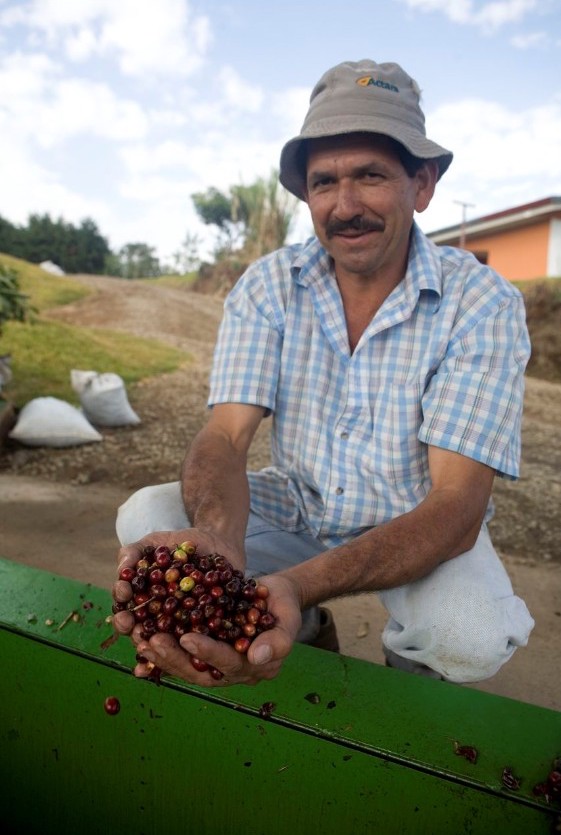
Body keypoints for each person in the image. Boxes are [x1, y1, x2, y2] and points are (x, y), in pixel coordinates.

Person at [112, 59, 534, 687]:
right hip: (301, 503)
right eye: (324, 181)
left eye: (370, 175)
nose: (345, 205)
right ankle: (301, 638)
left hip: (416, 524)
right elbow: (226, 437)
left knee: (464, 634)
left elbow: (455, 507)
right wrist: (218, 538)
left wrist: (294, 583)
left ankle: (407, 686)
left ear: (422, 186)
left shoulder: (480, 304)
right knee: (150, 516)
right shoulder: (269, 286)